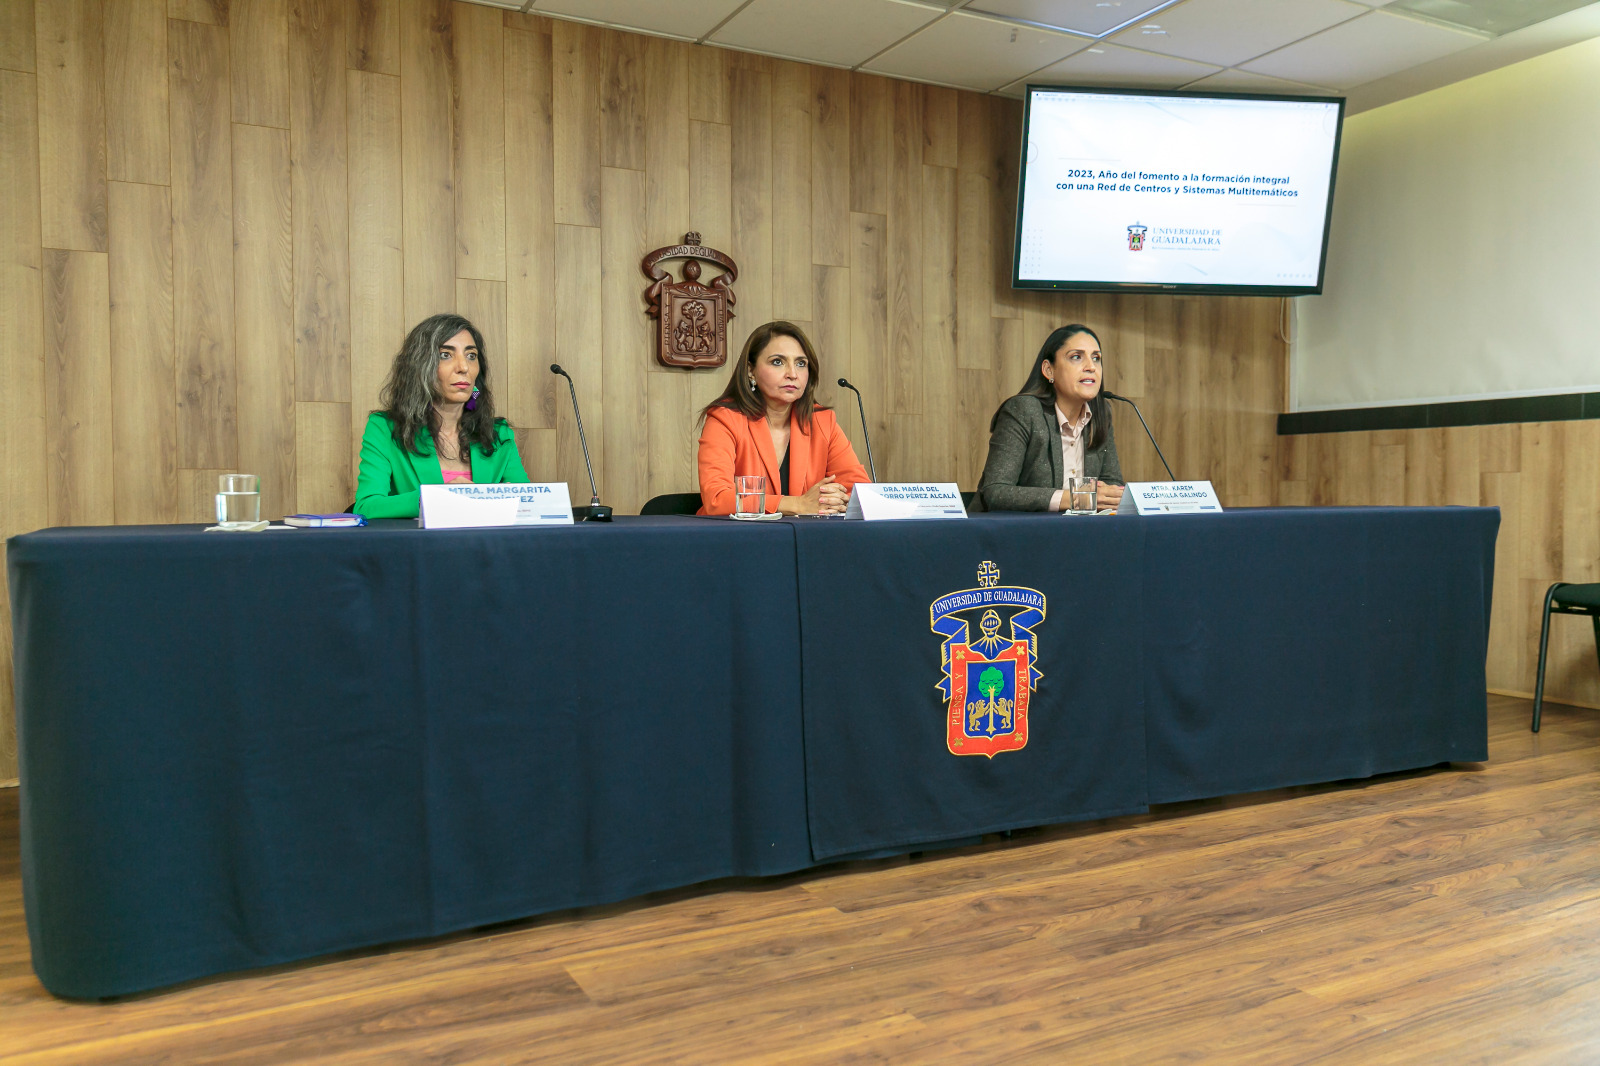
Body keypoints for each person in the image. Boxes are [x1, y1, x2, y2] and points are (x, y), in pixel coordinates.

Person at [354, 313, 529, 519]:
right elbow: (366, 507)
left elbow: (528, 505)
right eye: (446, 355)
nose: (463, 367)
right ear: (419, 367)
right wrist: (434, 498)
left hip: (486, 547)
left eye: (471, 356)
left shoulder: (499, 434)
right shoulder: (384, 428)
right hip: (421, 549)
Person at [697, 321, 869, 516]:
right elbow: (717, 499)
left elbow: (859, 492)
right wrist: (797, 504)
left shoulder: (822, 421)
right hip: (736, 540)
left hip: (806, 540)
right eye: (778, 362)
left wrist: (832, 498)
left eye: (801, 363)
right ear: (750, 370)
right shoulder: (725, 420)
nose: (793, 374)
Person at [977, 324, 1126, 512]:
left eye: (1096, 358)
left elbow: (1111, 482)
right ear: (1049, 370)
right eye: (1076, 357)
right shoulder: (1023, 411)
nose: (1091, 367)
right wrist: (1076, 499)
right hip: (1019, 533)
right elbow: (995, 491)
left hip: (1081, 531)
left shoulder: (1100, 413)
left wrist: (1111, 495)